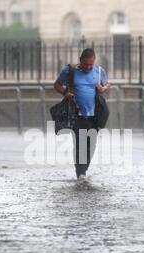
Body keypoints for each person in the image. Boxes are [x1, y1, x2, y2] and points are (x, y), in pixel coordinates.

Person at [54, 48, 110, 180]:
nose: (88, 67)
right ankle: (81, 173)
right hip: (76, 114)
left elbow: (107, 86)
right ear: (80, 61)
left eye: (91, 64)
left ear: (94, 62)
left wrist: (103, 88)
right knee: (79, 143)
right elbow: (57, 84)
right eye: (85, 64)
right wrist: (65, 93)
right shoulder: (70, 71)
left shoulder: (99, 71)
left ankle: (83, 169)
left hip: (94, 116)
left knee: (91, 144)